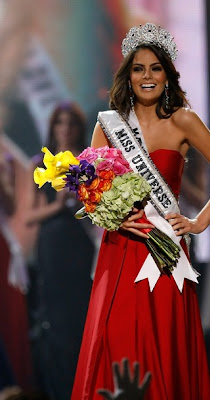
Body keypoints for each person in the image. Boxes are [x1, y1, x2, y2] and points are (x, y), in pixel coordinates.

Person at [72, 23, 210, 400]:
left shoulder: (183, 120)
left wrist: (198, 223)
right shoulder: (109, 124)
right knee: (117, 340)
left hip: (163, 250)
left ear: (167, 75)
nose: (147, 77)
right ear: (127, 75)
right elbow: (89, 189)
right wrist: (111, 214)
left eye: (155, 68)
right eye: (138, 68)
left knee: (162, 342)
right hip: (120, 249)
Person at [25, 102, 96, 400]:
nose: (65, 129)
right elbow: (29, 216)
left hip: (79, 244)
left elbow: (98, 209)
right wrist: (56, 206)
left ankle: (85, 386)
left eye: (71, 123)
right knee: (55, 320)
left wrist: (81, 202)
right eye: (60, 123)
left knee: (81, 316)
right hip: (52, 245)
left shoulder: (90, 161)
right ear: (53, 127)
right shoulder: (39, 164)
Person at [0, 134, 33, 389]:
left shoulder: (4, 158)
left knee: (9, 319)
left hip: (3, 249)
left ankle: (16, 385)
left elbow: (10, 207)